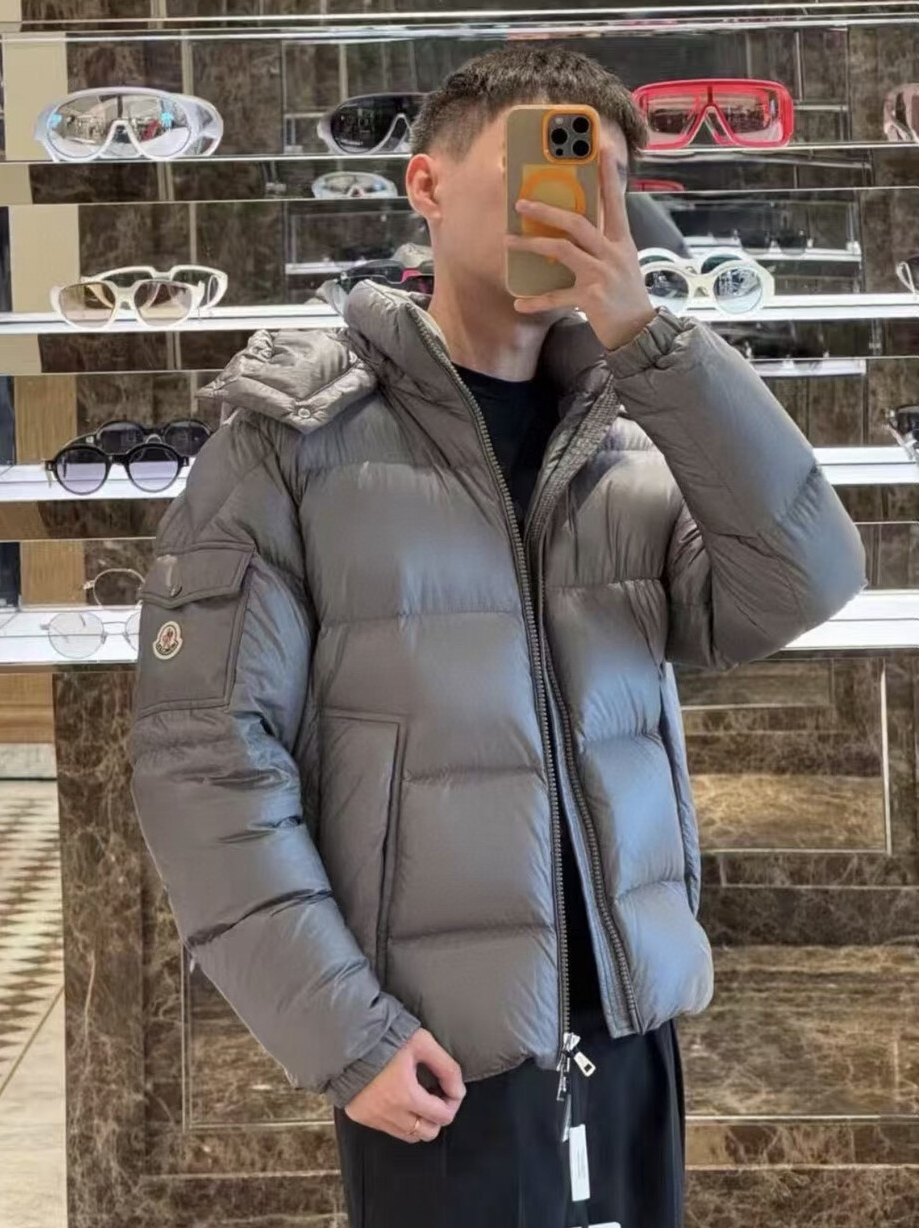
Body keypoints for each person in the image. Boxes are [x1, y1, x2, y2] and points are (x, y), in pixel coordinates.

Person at [129, 44, 867, 1228]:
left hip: (625, 1020)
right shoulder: (294, 440)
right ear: (424, 185)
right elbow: (207, 757)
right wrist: (343, 1029)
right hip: (431, 1049)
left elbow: (805, 574)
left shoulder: (634, 440)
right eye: (540, 166)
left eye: (602, 181)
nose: (573, 205)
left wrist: (649, 339)